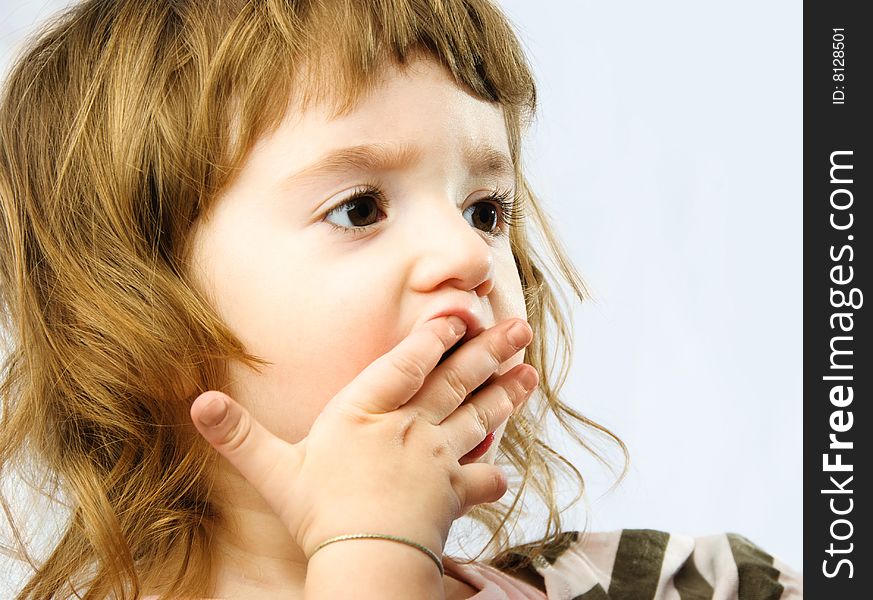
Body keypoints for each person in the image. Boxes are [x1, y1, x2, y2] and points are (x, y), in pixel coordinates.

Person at [0, 0, 802, 598]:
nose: (468, 253)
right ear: (133, 317)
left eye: (485, 210)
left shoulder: (654, 584)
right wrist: (369, 556)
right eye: (359, 209)